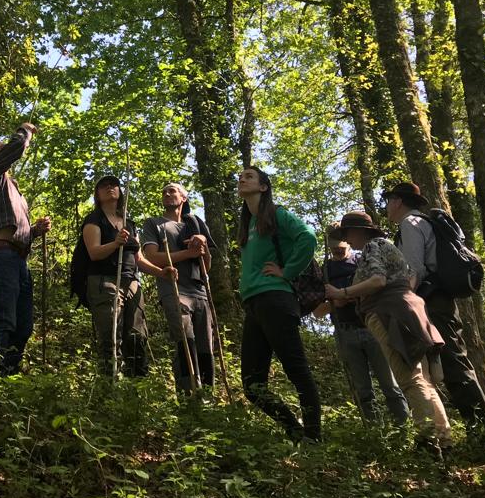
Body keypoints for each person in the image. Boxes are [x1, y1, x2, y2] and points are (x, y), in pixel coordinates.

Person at [384, 182, 485, 445]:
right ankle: (481, 437)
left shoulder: (410, 224)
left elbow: (413, 269)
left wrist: (404, 304)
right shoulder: (419, 223)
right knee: (450, 366)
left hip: (432, 302)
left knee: (454, 366)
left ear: (398, 201)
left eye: (389, 200)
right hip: (438, 301)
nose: (387, 206)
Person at [324, 211, 451, 451]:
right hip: (407, 311)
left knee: (409, 378)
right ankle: (443, 438)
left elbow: (378, 281)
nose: (347, 240)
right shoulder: (383, 246)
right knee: (422, 379)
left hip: (390, 314)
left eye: (348, 233)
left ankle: (427, 440)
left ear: (361, 231)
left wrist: (343, 293)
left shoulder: (373, 246)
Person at [237, 167, 322, 442]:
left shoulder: (276, 214)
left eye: (249, 176)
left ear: (263, 187)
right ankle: (295, 431)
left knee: (296, 370)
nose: (242, 178)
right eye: (241, 176)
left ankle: (314, 437)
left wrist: (287, 271)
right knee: (252, 385)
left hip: (276, 298)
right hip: (254, 304)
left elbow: (308, 237)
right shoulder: (248, 223)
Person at [0, 122, 51, 376]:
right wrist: (24, 130)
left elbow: (20, 232)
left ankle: (8, 378)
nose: (3, 150)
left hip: (18, 260)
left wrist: (36, 230)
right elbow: (15, 147)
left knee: (23, 326)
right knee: (4, 320)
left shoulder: (14, 190)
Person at [79, 175, 175, 377]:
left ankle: (138, 387)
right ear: (97, 195)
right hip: (104, 282)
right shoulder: (94, 220)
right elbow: (94, 253)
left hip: (132, 283)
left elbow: (138, 258)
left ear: (120, 192)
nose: (109, 188)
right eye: (103, 186)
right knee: (111, 336)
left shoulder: (129, 224)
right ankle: (110, 385)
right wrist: (115, 243)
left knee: (137, 336)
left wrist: (161, 272)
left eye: (114, 185)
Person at [317, 232, 409, 425]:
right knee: (363, 390)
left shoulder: (363, 261)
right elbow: (317, 311)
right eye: (334, 248)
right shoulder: (324, 271)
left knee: (390, 384)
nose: (337, 251)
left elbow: (379, 285)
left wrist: (351, 295)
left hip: (371, 327)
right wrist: (336, 301)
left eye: (341, 248)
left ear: (348, 245)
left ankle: (404, 428)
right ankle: (375, 433)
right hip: (345, 331)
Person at [142, 183, 217, 393]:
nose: (167, 194)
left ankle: (207, 394)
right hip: (174, 290)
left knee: (205, 346)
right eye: (164, 191)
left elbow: (206, 268)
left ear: (183, 197)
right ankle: (187, 394)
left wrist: (203, 247)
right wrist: (187, 254)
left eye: (172, 191)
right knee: (185, 341)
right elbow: (152, 257)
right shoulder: (154, 224)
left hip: (199, 291)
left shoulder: (195, 224)